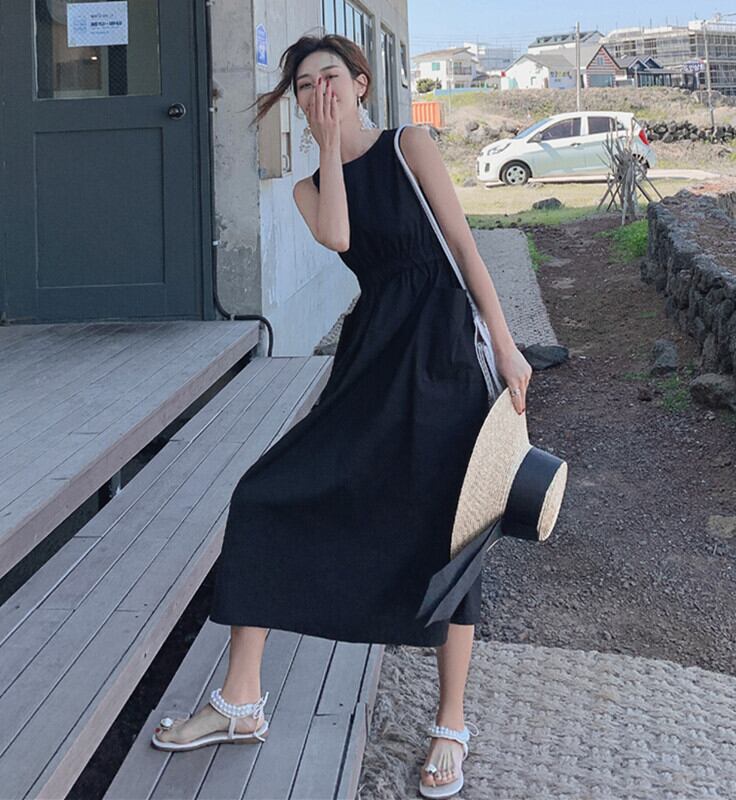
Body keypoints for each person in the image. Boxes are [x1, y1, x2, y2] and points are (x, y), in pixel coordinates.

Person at [151, 32, 531, 797]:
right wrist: (328, 147)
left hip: (444, 353)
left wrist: (508, 346)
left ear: (361, 82)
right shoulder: (308, 188)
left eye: (329, 76)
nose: (317, 90)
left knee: (453, 529)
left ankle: (450, 723)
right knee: (264, 495)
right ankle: (241, 701)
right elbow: (340, 235)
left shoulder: (410, 145)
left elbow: (464, 247)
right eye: (303, 85)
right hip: (372, 357)